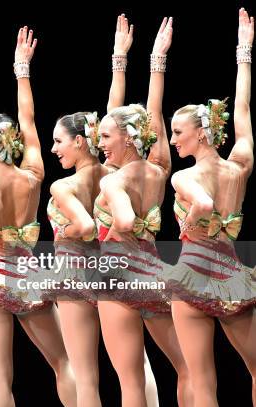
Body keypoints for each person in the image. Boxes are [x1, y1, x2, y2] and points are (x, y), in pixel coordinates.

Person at [48, 15, 161, 407]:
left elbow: (85, 225)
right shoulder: (112, 168)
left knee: (86, 373)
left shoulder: (74, 182)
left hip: (81, 271)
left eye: (60, 141)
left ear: (83, 141)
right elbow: (119, 113)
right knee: (136, 366)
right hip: (121, 267)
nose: (54, 148)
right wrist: (122, 58)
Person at [0, 26, 76, 406]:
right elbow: (28, 120)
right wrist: (21, 70)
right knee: (64, 363)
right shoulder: (33, 176)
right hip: (27, 272)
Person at [94, 17, 191, 407]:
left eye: (104, 137)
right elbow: (153, 114)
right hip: (153, 272)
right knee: (187, 368)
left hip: (117, 276)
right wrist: (153, 60)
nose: (100, 143)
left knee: (131, 381)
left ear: (127, 139)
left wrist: (118, 229)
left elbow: (125, 222)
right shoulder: (160, 166)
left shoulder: (111, 181)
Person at [163, 8, 255, 406]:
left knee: (201, 380)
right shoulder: (240, 166)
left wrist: (190, 223)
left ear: (201, 133)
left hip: (192, 272)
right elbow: (243, 113)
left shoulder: (183, 178)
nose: (171, 140)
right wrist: (244, 52)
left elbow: (201, 202)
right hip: (231, 273)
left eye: (177, 132)